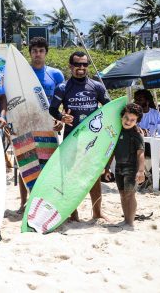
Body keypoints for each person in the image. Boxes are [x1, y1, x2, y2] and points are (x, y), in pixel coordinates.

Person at [49, 51, 110, 221]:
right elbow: (52, 109)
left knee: (94, 175)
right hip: (71, 138)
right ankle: (73, 213)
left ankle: (97, 212)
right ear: (71, 66)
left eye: (84, 64)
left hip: (93, 138)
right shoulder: (63, 88)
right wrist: (61, 117)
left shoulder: (96, 86)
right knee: (71, 176)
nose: (81, 68)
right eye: (77, 64)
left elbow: (109, 108)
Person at [15, 37, 65, 210]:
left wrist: (59, 119)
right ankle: (23, 203)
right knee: (25, 164)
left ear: (46, 52)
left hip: (48, 125)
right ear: (30, 53)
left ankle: (47, 199)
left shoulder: (56, 74)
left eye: (41, 51)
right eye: (34, 51)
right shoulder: (21, 73)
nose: (37, 54)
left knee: (49, 164)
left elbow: (61, 100)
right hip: (25, 124)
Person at [105, 103, 145, 227]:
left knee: (130, 194)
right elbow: (111, 150)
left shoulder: (136, 134)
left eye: (132, 120)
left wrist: (141, 171)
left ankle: (130, 221)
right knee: (122, 194)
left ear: (137, 121)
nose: (128, 121)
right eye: (126, 118)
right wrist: (107, 168)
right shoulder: (116, 132)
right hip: (118, 168)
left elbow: (140, 153)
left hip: (131, 168)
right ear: (122, 117)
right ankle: (126, 219)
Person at [133, 89, 160, 169]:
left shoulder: (156, 114)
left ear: (147, 102)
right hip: (137, 143)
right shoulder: (133, 113)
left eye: (140, 100)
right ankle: (141, 176)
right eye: (136, 99)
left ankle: (150, 176)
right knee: (140, 151)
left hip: (152, 143)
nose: (136, 102)